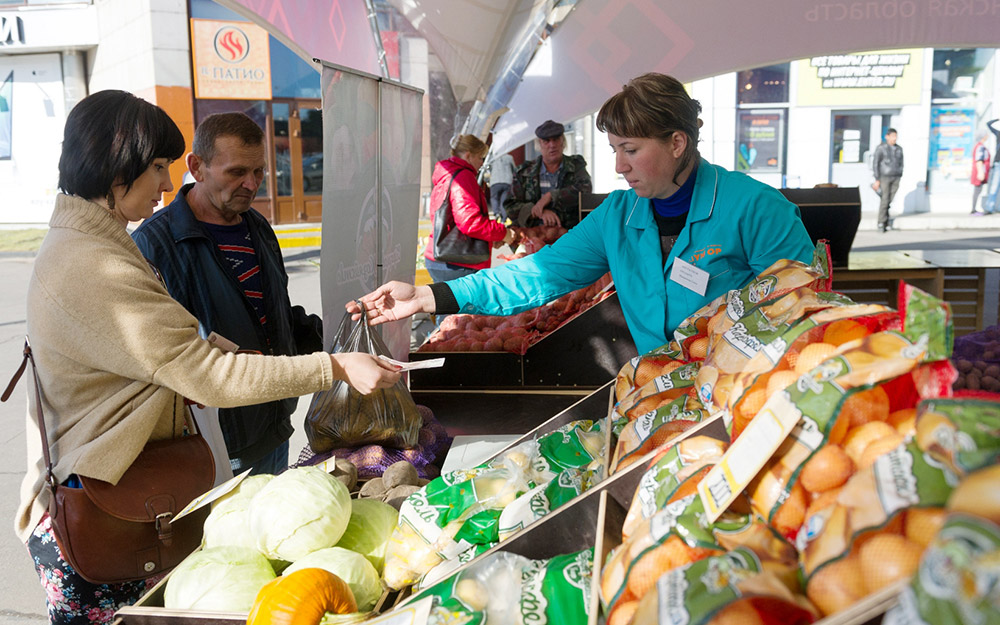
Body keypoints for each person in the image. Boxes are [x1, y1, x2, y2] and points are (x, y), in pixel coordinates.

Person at [17, 90, 400, 624]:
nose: (168, 184)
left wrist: (267, 347)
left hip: (135, 492)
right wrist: (334, 367)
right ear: (113, 165)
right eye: (157, 167)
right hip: (107, 512)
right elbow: (203, 373)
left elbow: (178, 339)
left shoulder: (98, 242)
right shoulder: (92, 264)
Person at [348, 73, 814, 356]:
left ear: (677, 142)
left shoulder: (756, 208)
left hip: (743, 395)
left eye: (630, 149)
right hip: (659, 391)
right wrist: (430, 299)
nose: (618, 165)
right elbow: (536, 276)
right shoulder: (619, 215)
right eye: (614, 150)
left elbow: (804, 312)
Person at [132, 112, 321, 476]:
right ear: (197, 167)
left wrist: (336, 335)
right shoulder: (154, 245)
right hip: (211, 448)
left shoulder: (258, 227)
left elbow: (273, 314)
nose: (252, 184)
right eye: (236, 172)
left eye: (259, 172)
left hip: (273, 427)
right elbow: (161, 359)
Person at [424, 134, 516, 283]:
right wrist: (503, 233)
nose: (481, 164)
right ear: (468, 156)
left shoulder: (447, 174)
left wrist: (492, 239)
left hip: (442, 257)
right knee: (466, 305)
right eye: (480, 158)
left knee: (448, 305)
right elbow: (470, 222)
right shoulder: (463, 176)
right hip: (458, 262)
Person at [504, 119, 593, 229]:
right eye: (546, 141)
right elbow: (510, 207)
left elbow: (585, 189)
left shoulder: (576, 166)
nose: (552, 145)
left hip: (570, 236)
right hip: (536, 238)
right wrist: (537, 211)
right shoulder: (524, 172)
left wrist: (551, 196)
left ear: (562, 141)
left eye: (556, 139)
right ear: (539, 144)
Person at [872, 128, 903, 232]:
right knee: (885, 199)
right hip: (884, 177)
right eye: (893, 136)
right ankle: (881, 222)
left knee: (890, 200)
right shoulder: (881, 148)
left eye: (896, 136)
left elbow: (901, 163)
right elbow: (876, 163)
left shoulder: (899, 149)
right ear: (887, 136)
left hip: (896, 177)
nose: (895, 138)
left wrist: (900, 173)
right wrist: (877, 179)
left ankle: (886, 220)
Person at [487, 151, 516, 221]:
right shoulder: (509, 157)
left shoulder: (492, 158)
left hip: (495, 181)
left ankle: (496, 214)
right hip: (507, 181)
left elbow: (488, 169)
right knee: (504, 200)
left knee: (494, 198)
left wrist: (487, 180)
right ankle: (504, 218)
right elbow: (514, 169)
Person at [971, 131, 991, 214]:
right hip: (980, 171)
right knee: (977, 190)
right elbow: (979, 160)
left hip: (981, 171)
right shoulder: (980, 147)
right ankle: (973, 209)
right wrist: (980, 172)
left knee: (978, 190)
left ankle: (974, 209)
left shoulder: (981, 146)